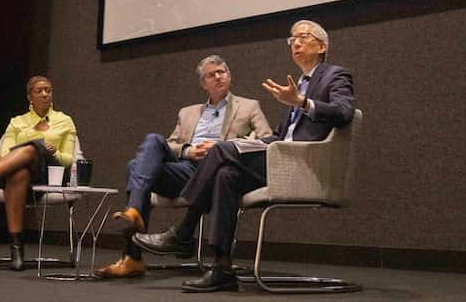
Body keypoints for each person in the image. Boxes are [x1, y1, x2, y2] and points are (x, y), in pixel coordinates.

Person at [133, 20, 356, 292]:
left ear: (321, 46)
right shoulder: (298, 83)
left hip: (303, 165)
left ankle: (183, 231)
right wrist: (252, 143)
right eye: (292, 39)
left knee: (221, 149)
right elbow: (280, 135)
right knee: (227, 175)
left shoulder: (335, 75)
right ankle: (221, 267)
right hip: (279, 157)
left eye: (303, 37)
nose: (295, 43)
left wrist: (302, 103)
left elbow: (344, 113)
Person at [94, 55, 272, 279]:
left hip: (218, 171)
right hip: (186, 170)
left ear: (229, 76)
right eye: (211, 74)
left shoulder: (248, 106)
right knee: (151, 143)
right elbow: (170, 145)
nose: (217, 77)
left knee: (134, 167)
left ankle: (132, 256)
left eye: (222, 72)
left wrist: (221, 146)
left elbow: (266, 140)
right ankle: (135, 219)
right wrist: (188, 151)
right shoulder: (187, 112)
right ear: (203, 83)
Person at [0, 75, 77, 271]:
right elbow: (4, 154)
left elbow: (69, 159)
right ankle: (17, 250)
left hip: (49, 172)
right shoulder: (17, 122)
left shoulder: (64, 121)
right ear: (29, 97)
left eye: (48, 90)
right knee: (19, 173)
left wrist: (52, 150)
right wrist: (29, 149)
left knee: (37, 146)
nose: (45, 94)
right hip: (17, 172)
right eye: (39, 91)